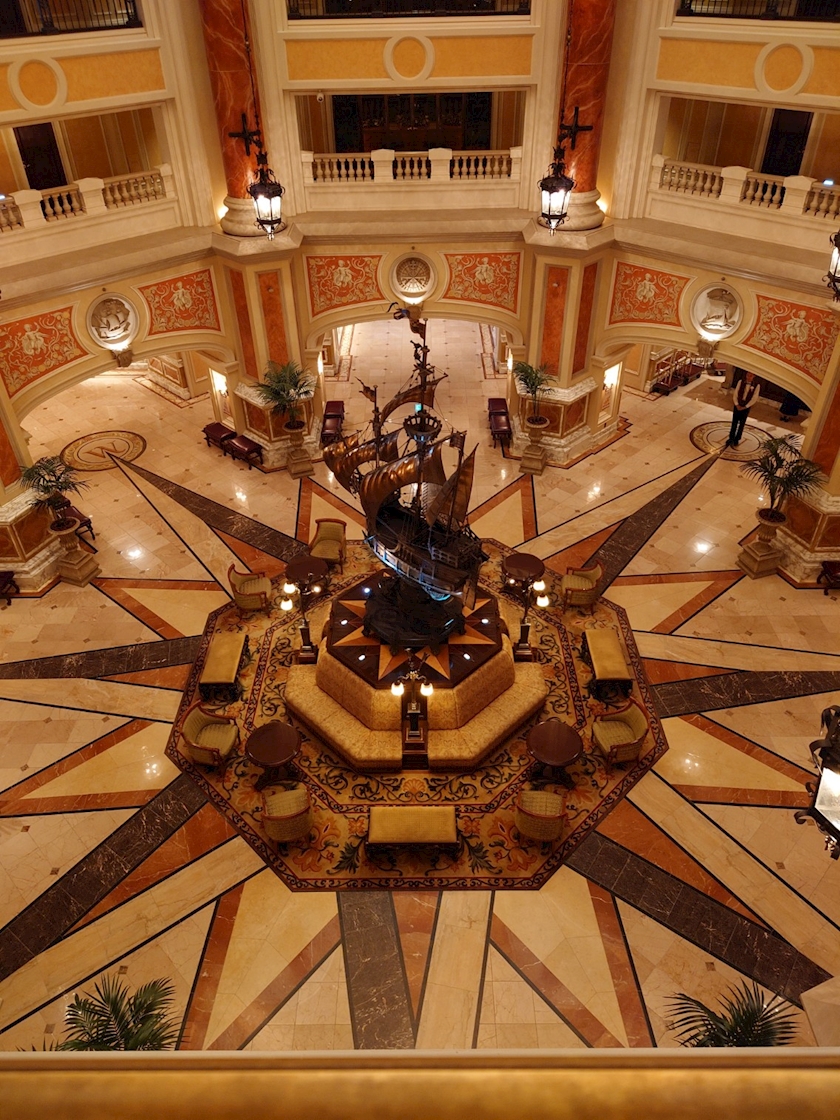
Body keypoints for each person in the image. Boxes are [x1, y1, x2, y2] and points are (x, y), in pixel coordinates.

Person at [726, 370, 760, 447]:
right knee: (734, 422)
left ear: (754, 376)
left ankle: (737, 439)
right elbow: (736, 393)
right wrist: (737, 404)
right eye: (748, 375)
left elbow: (754, 398)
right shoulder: (740, 382)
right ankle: (731, 438)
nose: (748, 377)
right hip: (737, 405)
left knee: (742, 423)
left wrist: (746, 406)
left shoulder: (756, 385)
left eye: (751, 376)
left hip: (746, 407)